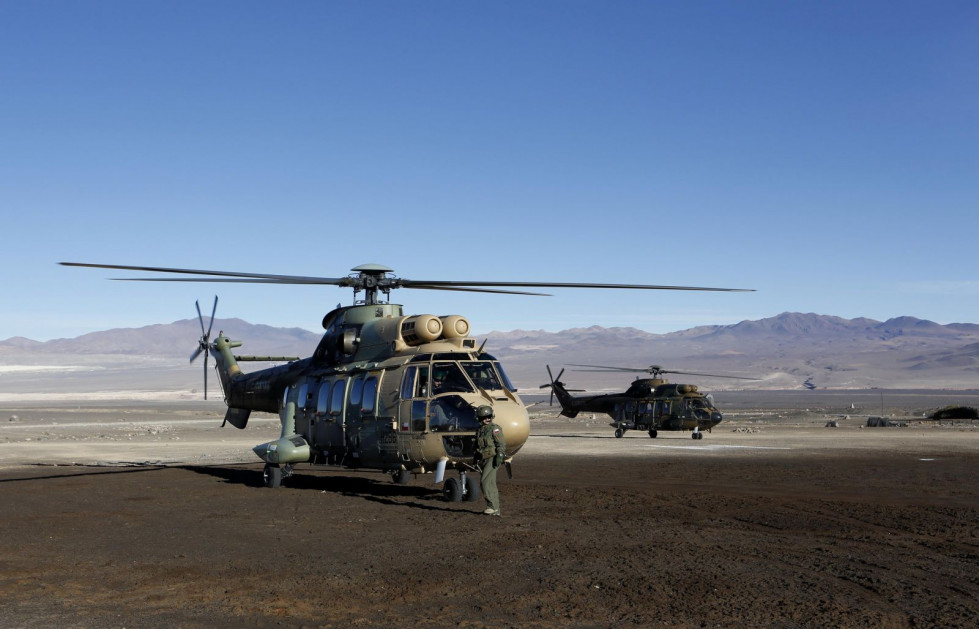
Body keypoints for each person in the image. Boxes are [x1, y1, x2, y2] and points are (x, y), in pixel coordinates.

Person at [474, 405, 506, 516]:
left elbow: (501, 444)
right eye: (484, 417)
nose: (487, 419)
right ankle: (496, 509)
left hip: (492, 459)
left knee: (485, 482)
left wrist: (499, 456)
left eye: (489, 416)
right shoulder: (480, 430)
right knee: (491, 484)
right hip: (483, 459)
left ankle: (491, 506)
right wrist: (475, 459)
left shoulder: (495, 429)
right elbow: (477, 446)